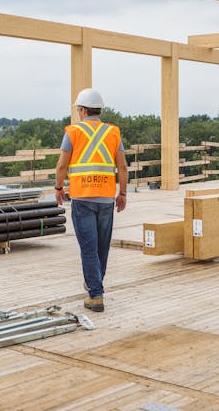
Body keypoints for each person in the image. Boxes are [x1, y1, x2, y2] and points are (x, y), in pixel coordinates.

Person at [54, 88, 128, 312]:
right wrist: (122, 193)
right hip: (106, 198)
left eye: (78, 109)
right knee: (101, 247)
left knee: (88, 248)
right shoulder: (113, 132)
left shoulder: (73, 131)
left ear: (83, 110)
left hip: (82, 198)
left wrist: (58, 188)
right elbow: (122, 166)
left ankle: (96, 295)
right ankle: (95, 283)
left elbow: (61, 165)